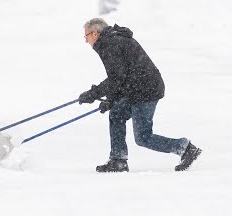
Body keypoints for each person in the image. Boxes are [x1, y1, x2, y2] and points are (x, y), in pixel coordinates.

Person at [78, 18, 202, 173]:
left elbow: (117, 78)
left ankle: (185, 148)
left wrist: (96, 94)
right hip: (137, 88)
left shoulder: (110, 44)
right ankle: (118, 160)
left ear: (95, 33)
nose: (86, 40)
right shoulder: (111, 41)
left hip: (145, 91)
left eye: (86, 36)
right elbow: (121, 76)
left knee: (143, 137)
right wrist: (107, 98)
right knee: (116, 114)